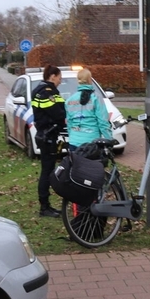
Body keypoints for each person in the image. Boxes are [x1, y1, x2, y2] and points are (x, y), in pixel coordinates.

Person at [31, 64, 66, 218]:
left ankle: (46, 205)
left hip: (46, 134)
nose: (60, 81)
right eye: (59, 77)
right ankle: (44, 207)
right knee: (47, 171)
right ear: (52, 76)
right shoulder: (47, 92)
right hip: (47, 136)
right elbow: (58, 113)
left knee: (48, 170)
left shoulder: (40, 90)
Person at [65, 68, 113, 151]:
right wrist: (109, 139)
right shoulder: (96, 98)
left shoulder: (69, 100)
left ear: (78, 80)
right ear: (89, 80)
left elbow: (69, 123)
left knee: (76, 160)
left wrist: (72, 136)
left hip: (74, 142)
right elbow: (103, 122)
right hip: (92, 141)